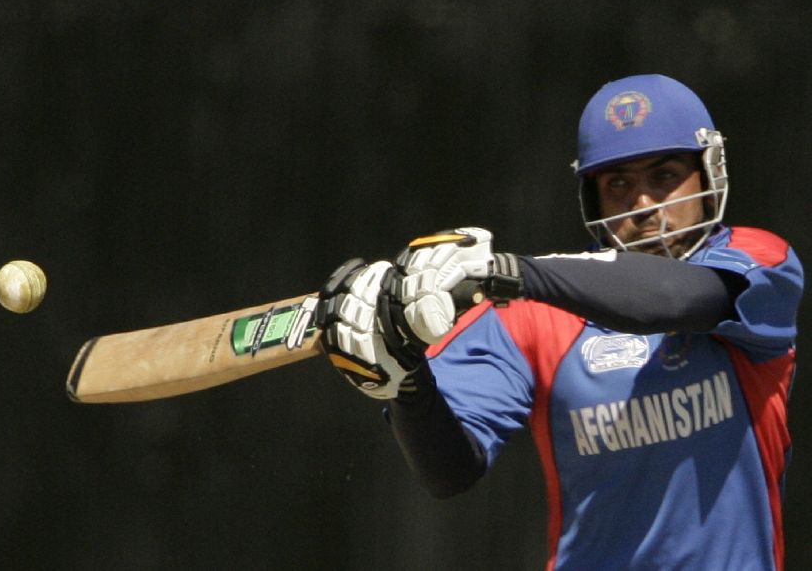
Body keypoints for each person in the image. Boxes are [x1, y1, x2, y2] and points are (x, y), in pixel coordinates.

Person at [315, 74, 804, 570]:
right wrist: (406, 382)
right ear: (592, 201)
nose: (643, 206)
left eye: (664, 176)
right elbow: (449, 472)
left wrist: (508, 272)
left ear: (709, 173)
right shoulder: (529, 314)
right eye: (618, 184)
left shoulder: (757, 263)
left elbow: (673, 297)